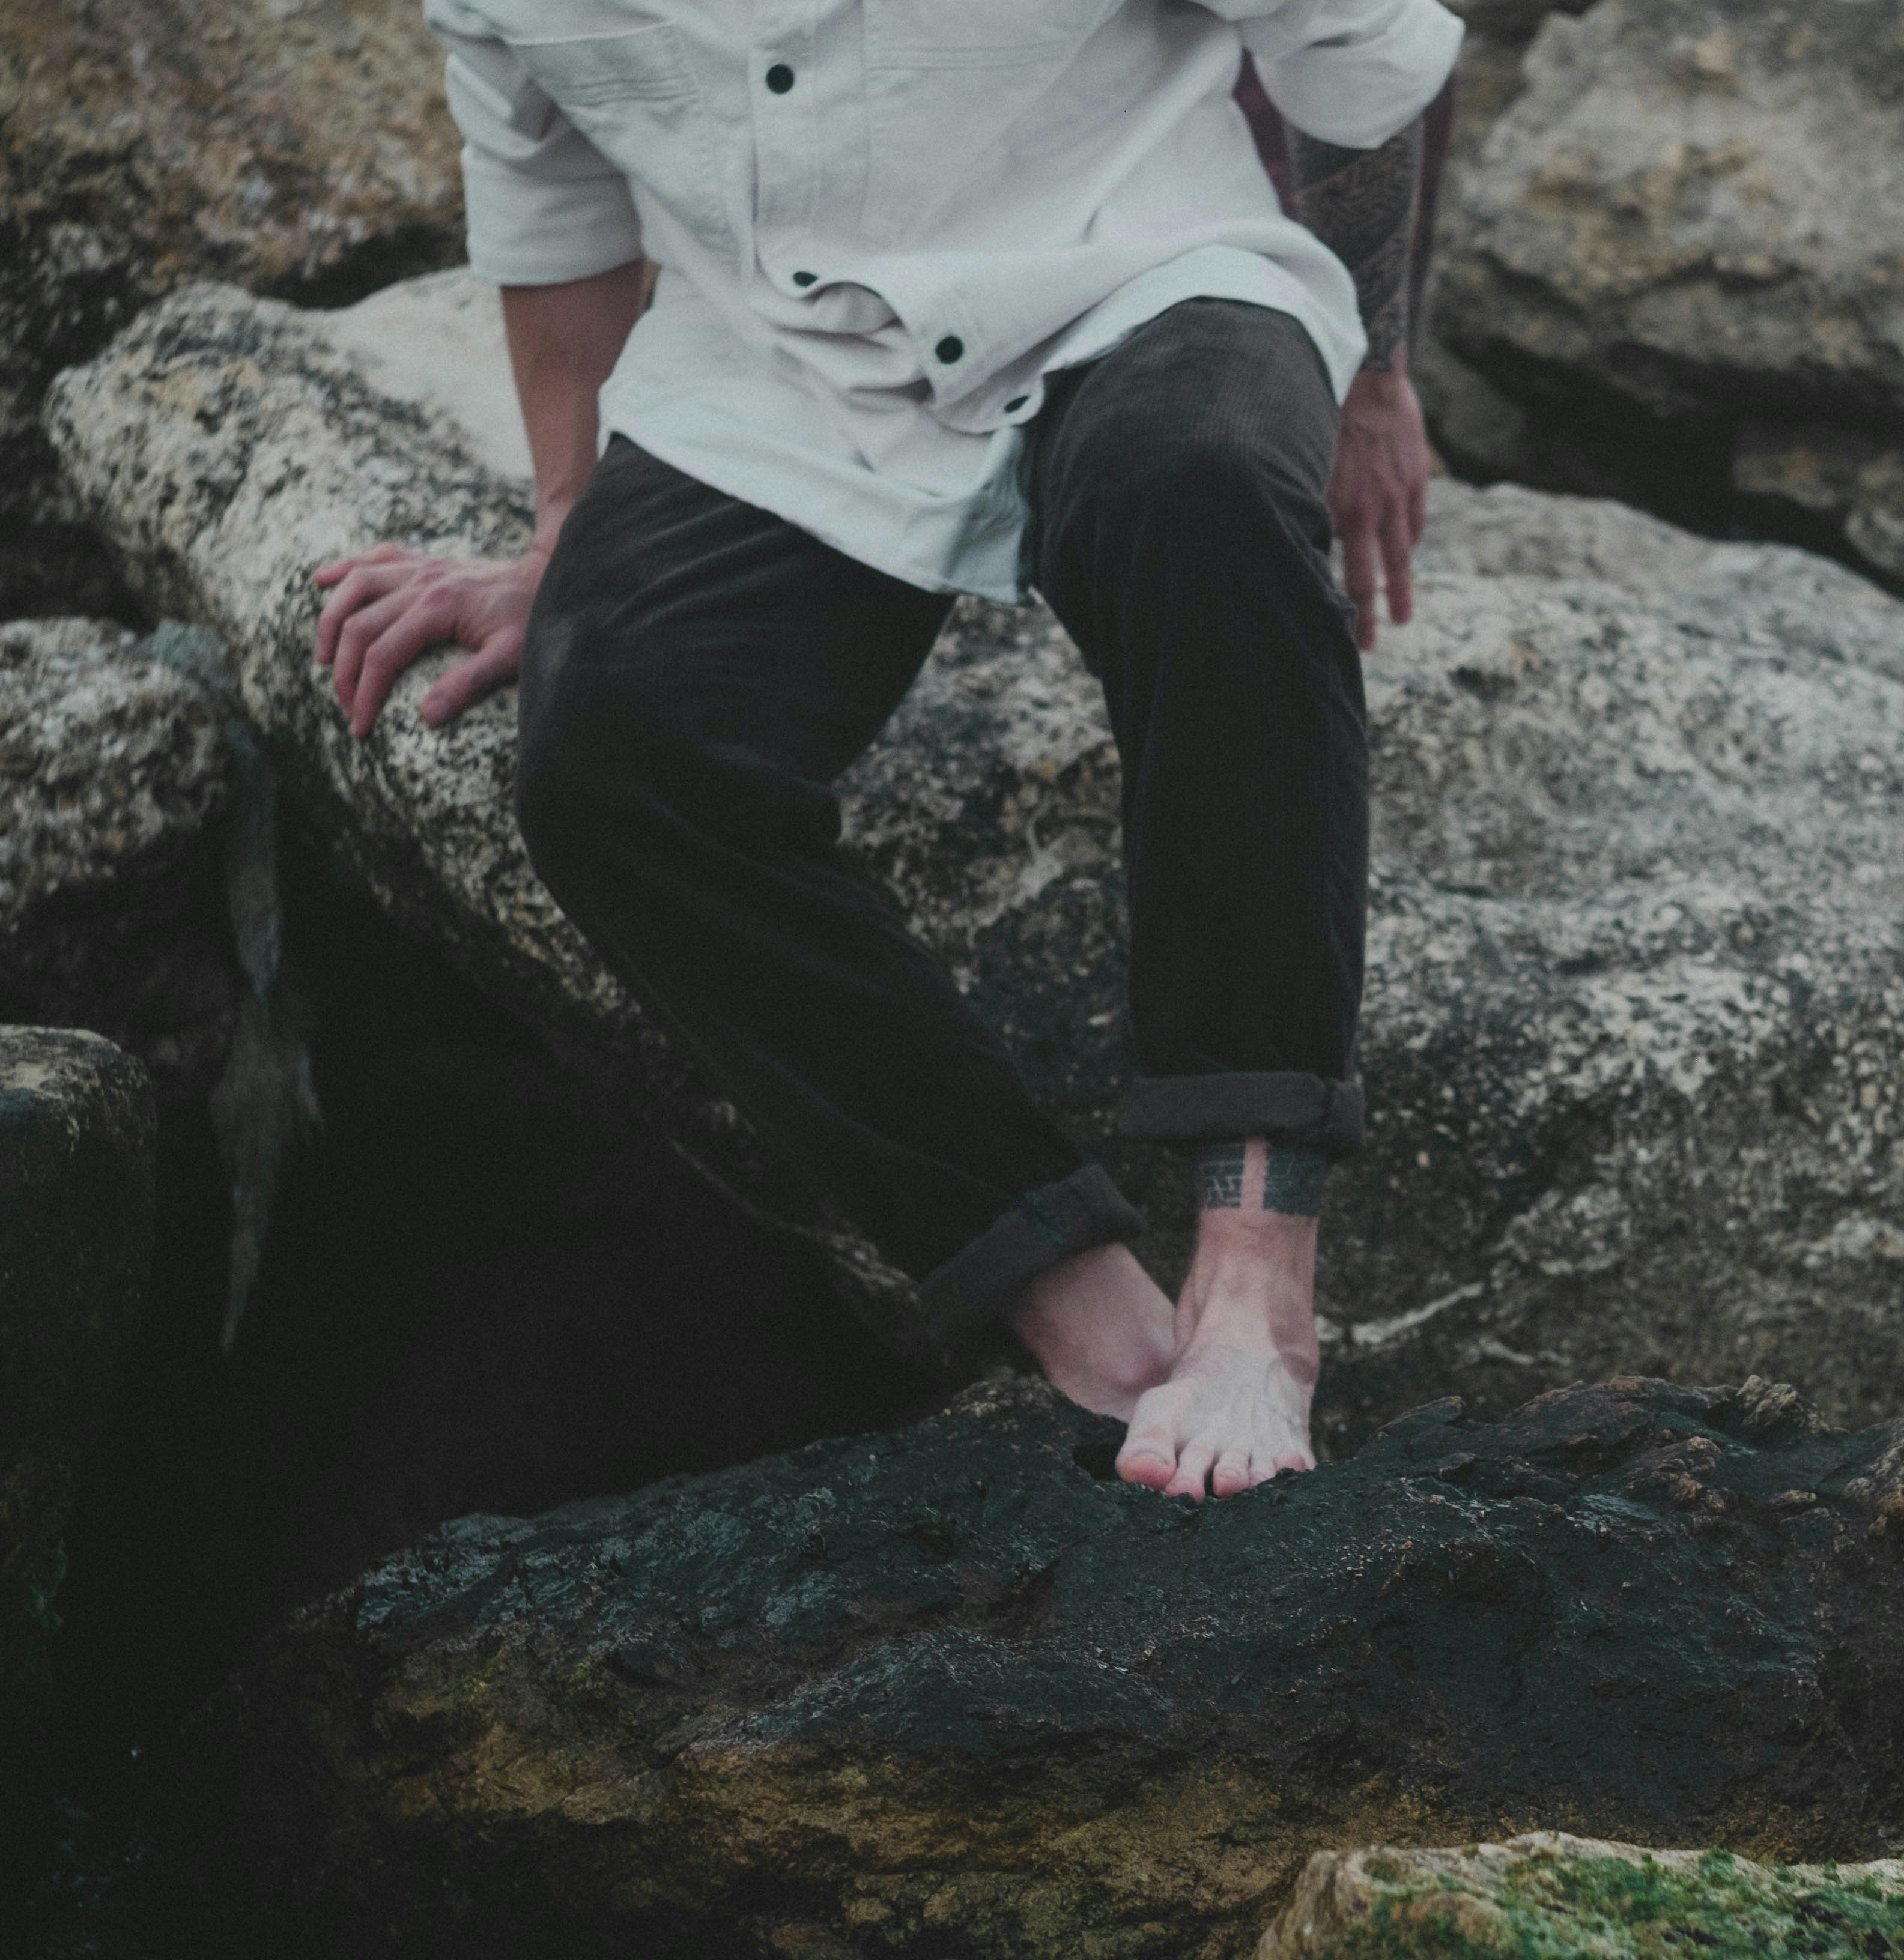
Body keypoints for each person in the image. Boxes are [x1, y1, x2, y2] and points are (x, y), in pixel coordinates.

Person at [308, 0, 1463, 1500]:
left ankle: (1256, 1281)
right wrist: (563, 530)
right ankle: (1079, 1301)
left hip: (1147, 270)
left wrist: (1371, 381)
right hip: (780, 381)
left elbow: (1364, 46)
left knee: (1209, 495)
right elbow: (552, 191)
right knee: (613, 750)